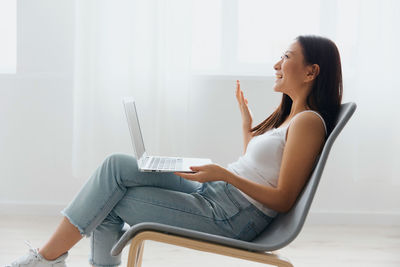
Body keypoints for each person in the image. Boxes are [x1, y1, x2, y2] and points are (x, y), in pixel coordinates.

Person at [7, 35, 342, 267]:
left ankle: (45, 258)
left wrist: (223, 173)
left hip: (229, 216)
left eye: (286, 57)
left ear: (312, 71)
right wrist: (247, 126)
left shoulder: (309, 123)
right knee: (115, 167)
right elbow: (261, 171)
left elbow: (283, 198)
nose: (276, 64)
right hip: (218, 194)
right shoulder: (292, 118)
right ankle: (47, 258)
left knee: (109, 199)